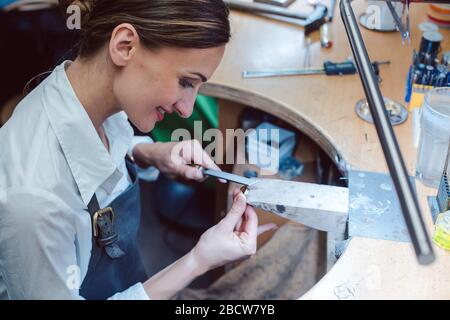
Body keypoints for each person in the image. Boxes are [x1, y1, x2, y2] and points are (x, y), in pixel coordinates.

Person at [0, 0, 276, 300]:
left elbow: (91, 150)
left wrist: (147, 153)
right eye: (186, 81)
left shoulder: (88, 91)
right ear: (125, 46)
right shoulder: (36, 201)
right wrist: (197, 261)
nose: (186, 110)